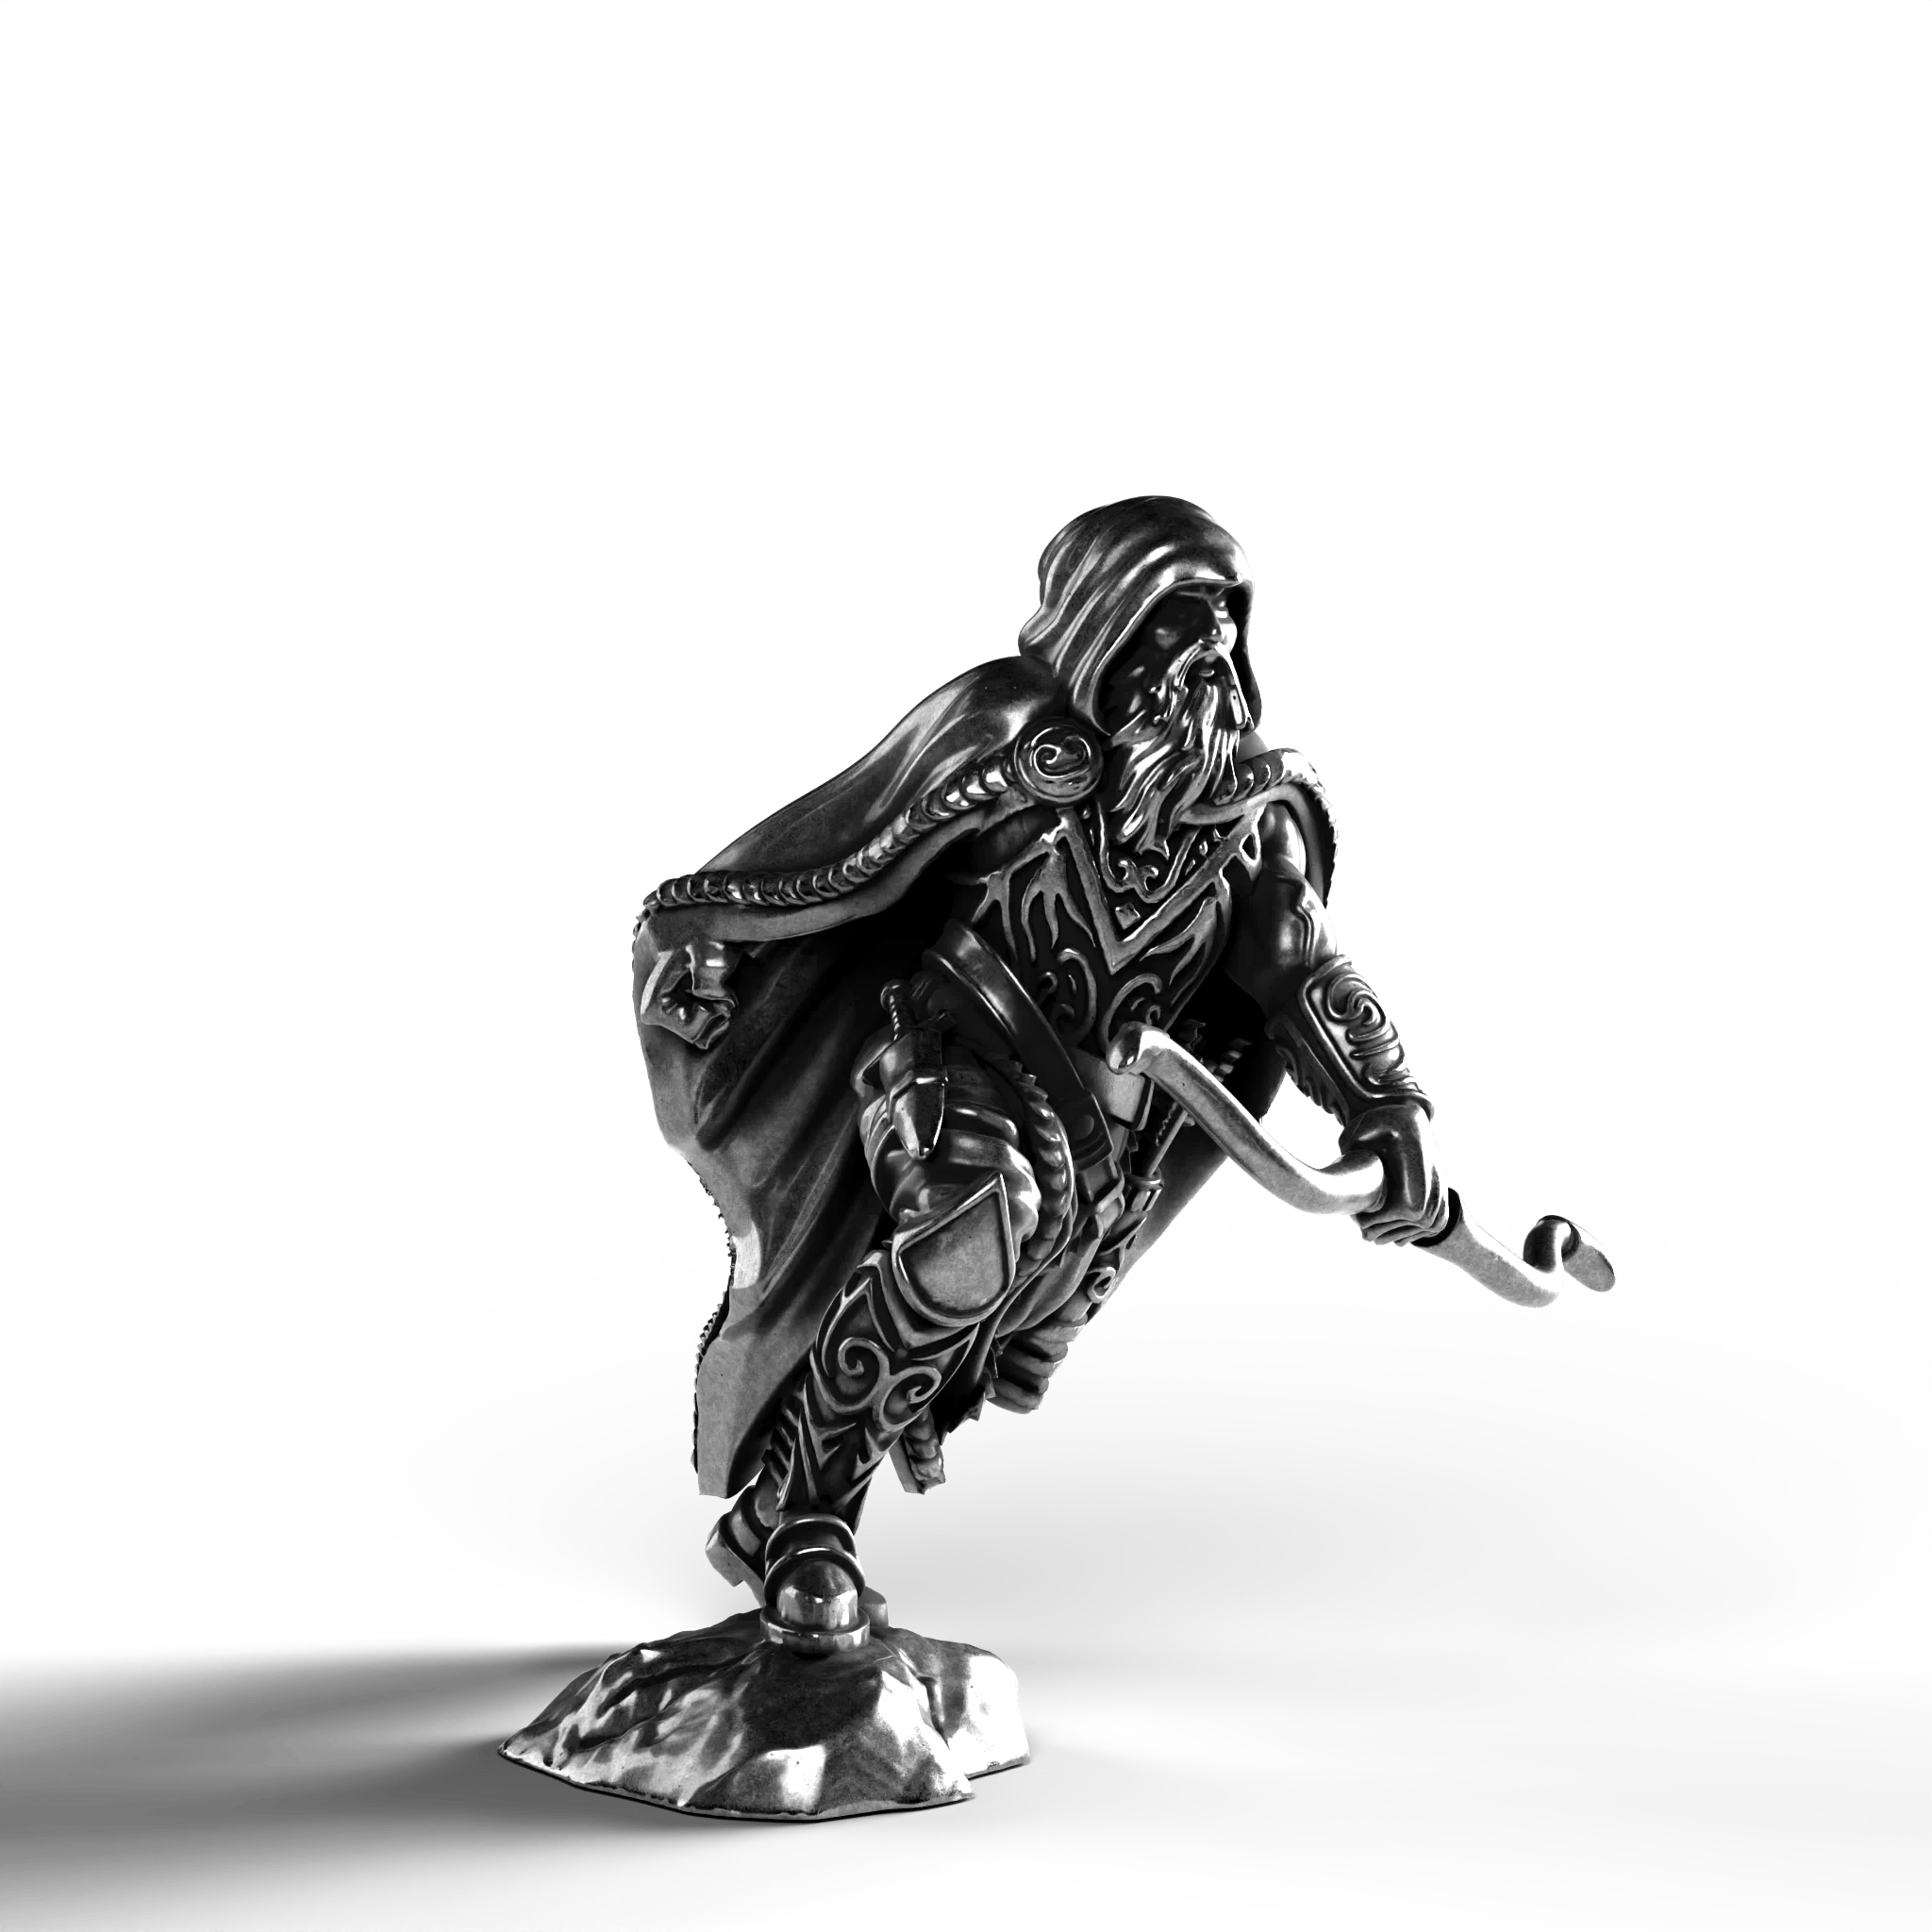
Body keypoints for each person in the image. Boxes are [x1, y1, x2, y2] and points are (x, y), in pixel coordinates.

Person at [629, 491, 1452, 1651]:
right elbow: (834, 850)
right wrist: (714, 938)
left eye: (1225, 628)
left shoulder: (1255, 825)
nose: (1206, 659)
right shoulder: (1016, 746)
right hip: (952, 1049)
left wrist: (1386, 1104)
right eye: (1170, 624)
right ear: (1106, 625)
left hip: (1108, 1143)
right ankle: (802, 1516)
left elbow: (1306, 976)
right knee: (966, 1228)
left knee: (996, 1340)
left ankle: (815, 1493)